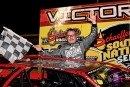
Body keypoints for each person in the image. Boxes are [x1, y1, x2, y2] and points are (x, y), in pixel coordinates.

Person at [33, 10, 98, 60]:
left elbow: (93, 36)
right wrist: (41, 50)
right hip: (68, 75)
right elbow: (50, 55)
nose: (71, 37)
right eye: (69, 36)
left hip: (80, 74)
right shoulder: (62, 48)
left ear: (76, 36)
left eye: (72, 35)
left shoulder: (82, 44)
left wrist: (94, 23)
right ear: (66, 38)